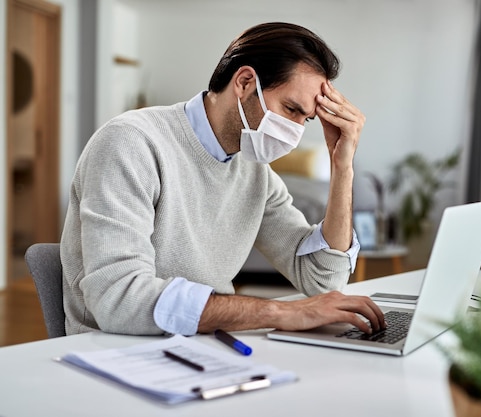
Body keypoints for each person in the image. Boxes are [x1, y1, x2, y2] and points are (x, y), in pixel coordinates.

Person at [60, 22, 385, 337]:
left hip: (207, 344)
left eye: (306, 119)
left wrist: (342, 167)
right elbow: (118, 299)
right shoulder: (132, 142)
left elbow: (323, 281)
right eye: (290, 109)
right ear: (244, 82)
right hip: (116, 353)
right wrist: (282, 313)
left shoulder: (254, 171)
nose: (297, 131)